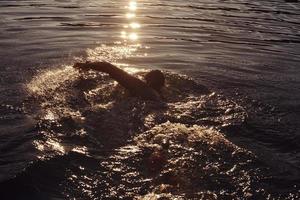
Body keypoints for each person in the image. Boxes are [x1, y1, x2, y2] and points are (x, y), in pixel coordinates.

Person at [73, 61, 165, 101]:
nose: (142, 81)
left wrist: (87, 65)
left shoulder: (142, 88)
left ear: (150, 82)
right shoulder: (160, 97)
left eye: (145, 80)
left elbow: (108, 67)